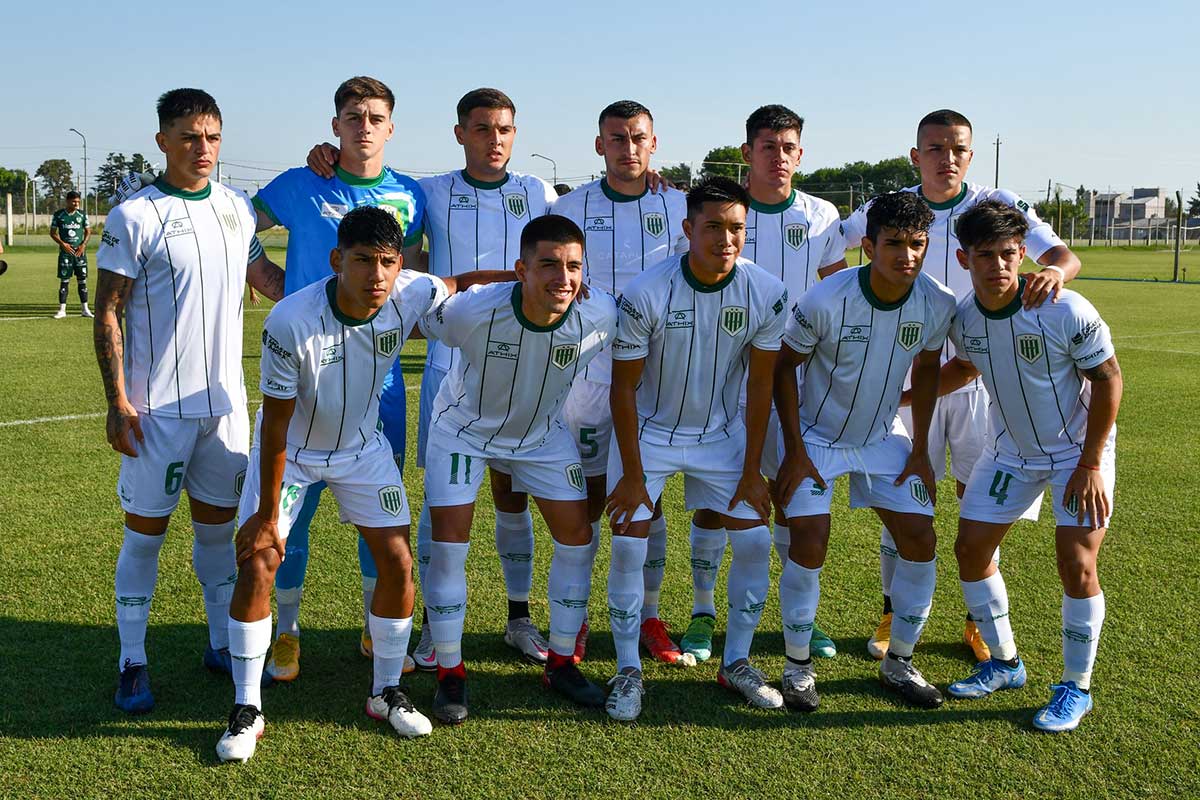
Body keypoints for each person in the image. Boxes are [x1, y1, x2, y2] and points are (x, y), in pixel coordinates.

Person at [216, 206, 508, 761]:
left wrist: (526, 278)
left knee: (397, 560)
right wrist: (263, 515)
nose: (376, 275)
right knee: (259, 559)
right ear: (336, 261)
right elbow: (275, 426)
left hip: (362, 450)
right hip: (293, 453)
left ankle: (385, 691)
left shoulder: (409, 291)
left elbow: (459, 283)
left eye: (387, 263)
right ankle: (246, 706)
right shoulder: (290, 320)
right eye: (362, 261)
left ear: (400, 264)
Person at [308, 88, 559, 669]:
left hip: (525, 362)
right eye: (481, 129)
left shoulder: (539, 192)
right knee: (443, 499)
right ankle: (430, 625)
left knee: (512, 492)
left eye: (503, 129)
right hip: (453, 362)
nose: (493, 140)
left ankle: (518, 617)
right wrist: (327, 155)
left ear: (514, 134)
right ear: (460, 133)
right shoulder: (429, 193)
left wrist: (661, 187)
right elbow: (402, 255)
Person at [841, 109, 1083, 662]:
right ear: (915, 155)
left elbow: (1064, 257)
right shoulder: (891, 206)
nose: (946, 158)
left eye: (957, 149)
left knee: (976, 503)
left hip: (980, 380)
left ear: (970, 156)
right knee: (903, 499)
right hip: (908, 378)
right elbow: (828, 249)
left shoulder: (997, 201)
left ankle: (978, 621)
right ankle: (891, 611)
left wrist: (1053, 275)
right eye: (934, 148)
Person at [94, 88, 285, 714]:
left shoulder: (237, 209)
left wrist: (343, 294)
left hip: (225, 409)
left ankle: (219, 643)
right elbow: (109, 311)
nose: (202, 148)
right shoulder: (134, 216)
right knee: (145, 539)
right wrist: (117, 400)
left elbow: (267, 280)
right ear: (163, 142)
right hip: (157, 412)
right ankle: (132, 659)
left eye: (211, 137)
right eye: (188, 137)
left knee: (218, 536)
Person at [248, 76, 426, 682]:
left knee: (378, 513)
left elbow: (417, 270)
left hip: (380, 385)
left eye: (376, 117)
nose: (364, 126)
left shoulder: (411, 196)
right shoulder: (304, 182)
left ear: (391, 127)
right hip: (305, 369)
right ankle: (287, 631)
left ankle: (374, 630)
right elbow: (234, 223)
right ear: (335, 126)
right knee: (290, 514)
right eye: (353, 116)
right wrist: (270, 282)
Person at [420, 215, 616, 724]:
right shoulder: (472, 312)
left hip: (542, 437)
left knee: (578, 536)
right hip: (463, 431)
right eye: (548, 264)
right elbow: (427, 310)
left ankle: (562, 663)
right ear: (520, 270)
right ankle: (450, 673)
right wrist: (465, 279)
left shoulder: (598, 317)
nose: (564, 278)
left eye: (574, 266)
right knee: (450, 544)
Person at [934, 201, 1121, 732]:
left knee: (1076, 562)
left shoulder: (1065, 308)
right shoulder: (964, 318)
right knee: (970, 550)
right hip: (1009, 452)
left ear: (1022, 255)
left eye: (1009, 255)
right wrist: (904, 398)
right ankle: (1005, 663)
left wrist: (1089, 463)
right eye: (985, 256)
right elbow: (967, 366)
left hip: (1077, 454)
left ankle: (1075, 688)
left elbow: (1109, 380)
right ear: (963, 258)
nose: (998, 266)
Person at [605, 177, 788, 721]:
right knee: (627, 542)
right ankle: (626, 670)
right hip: (650, 435)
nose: (726, 239)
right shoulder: (646, 292)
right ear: (688, 229)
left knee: (754, 543)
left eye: (736, 228)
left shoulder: (766, 291)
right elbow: (623, 388)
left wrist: (752, 469)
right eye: (712, 227)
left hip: (723, 437)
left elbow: (761, 387)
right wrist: (634, 475)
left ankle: (736, 662)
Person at [772, 191, 955, 712]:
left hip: (882, 437)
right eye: (894, 243)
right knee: (810, 540)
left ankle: (899, 662)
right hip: (818, 440)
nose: (908, 255)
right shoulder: (826, 298)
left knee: (920, 536)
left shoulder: (936, 302)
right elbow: (785, 368)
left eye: (917, 243)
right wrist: (795, 450)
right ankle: (797, 667)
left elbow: (925, 369)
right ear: (868, 247)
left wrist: (920, 448)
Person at [691, 104, 845, 662]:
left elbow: (836, 292)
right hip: (723, 375)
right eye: (766, 146)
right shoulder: (724, 210)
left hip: (797, 379)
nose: (777, 157)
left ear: (800, 154)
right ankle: (703, 611)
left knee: (791, 493)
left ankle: (797, 616)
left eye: (788, 147)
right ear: (746, 152)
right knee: (715, 496)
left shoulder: (823, 215)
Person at [553, 100, 692, 667]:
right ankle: (578, 618)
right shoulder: (568, 207)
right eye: (617, 138)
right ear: (599, 145)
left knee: (648, 502)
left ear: (653, 143)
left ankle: (648, 617)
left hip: (656, 374)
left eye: (638, 138)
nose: (628, 148)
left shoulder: (678, 203)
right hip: (586, 377)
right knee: (586, 503)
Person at [50, 190, 92, 318]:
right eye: (74, 201)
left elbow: (88, 231)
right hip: (65, 253)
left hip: (80, 253)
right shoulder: (59, 215)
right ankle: (62, 310)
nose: (76, 204)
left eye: (78, 202)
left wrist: (83, 244)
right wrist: (63, 244)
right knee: (64, 281)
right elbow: (52, 233)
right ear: (67, 201)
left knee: (82, 281)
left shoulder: (82, 215)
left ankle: (85, 309)